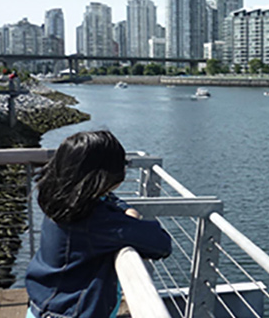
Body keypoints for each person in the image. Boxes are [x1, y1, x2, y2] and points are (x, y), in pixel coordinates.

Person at [25, 131, 172, 318]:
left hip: (42, 307)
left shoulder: (59, 202)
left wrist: (123, 209)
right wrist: (132, 217)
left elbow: (108, 200)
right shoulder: (98, 221)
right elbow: (161, 244)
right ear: (108, 175)